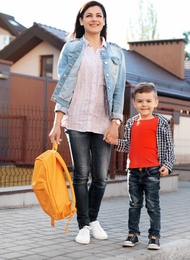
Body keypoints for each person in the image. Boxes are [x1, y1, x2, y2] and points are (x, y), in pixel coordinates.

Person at [48, 1, 126, 245]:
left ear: (104, 21)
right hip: (78, 120)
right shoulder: (71, 49)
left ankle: (93, 219)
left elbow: (119, 91)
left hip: (104, 122)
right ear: (81, 21)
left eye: (98, 15)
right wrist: (57, 121)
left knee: (101, 177)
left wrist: (115, 122)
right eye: (89, 15)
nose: (94, 19)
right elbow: (64, 86)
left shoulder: (115, 52)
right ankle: (83, 225)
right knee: (81, 174)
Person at [111, 82, 175, 250]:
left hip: (152, 170)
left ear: (156, 102)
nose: (144, 105)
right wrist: (115, 142)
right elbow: (128, 145)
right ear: (134, 103)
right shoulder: (131, 123)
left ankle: (154, 236)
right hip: (133, 171)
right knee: (134, 204)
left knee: (152, 205)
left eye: (148, 101)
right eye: (140, 101)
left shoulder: (161, 122)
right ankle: (133, 234)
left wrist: (167, 165)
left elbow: (169, 146)